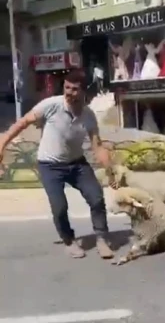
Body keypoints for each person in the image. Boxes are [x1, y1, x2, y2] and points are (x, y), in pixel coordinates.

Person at [0, 70, 115, 260]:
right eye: (66, 87)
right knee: (59, 207)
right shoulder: (51, 105)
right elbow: (22, 123)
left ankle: (102, 238)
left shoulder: (88, 115)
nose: (69, 92)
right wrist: (2, 144)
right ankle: (69, 240)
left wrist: (112, 172)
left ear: (83, 91)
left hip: (77, 164)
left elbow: (97, 146)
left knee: (96, 197)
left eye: (74, 89)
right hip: (50, 165)